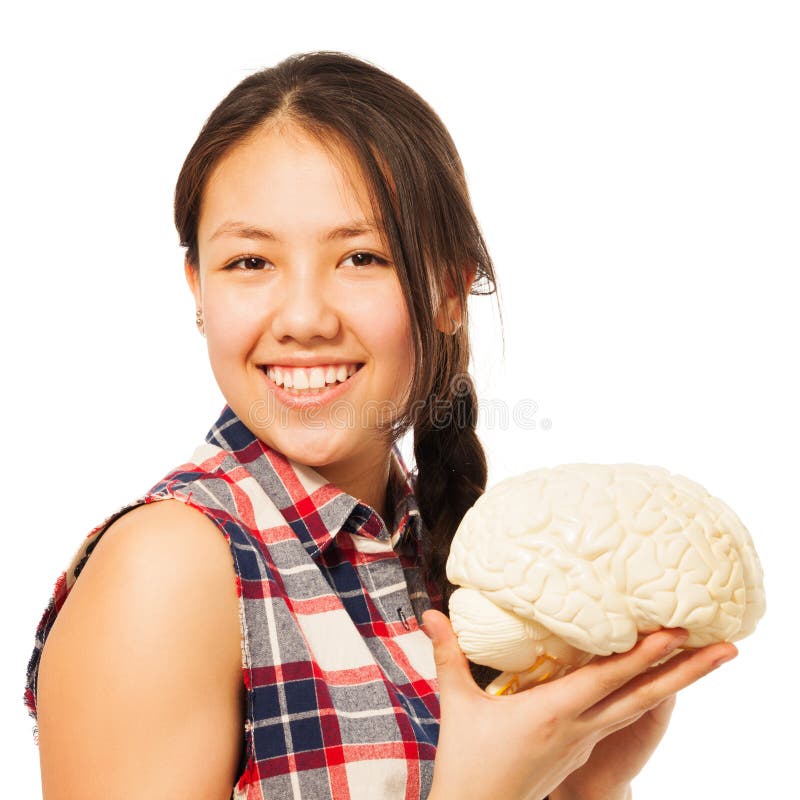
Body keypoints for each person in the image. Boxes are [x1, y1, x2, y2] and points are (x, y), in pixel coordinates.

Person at [23, 50, 738, 800]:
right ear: (198, 286)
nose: (303, 318)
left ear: (450, 291)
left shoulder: (447, 562)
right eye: (249, 262)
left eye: (362, 257)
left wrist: (585, 784)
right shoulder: (170, 567)